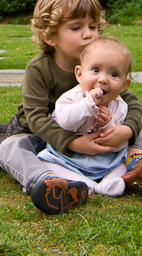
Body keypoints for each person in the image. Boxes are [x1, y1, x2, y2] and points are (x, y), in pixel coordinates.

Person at [0, 0, 142, 215]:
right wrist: (71, 142)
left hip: (96, 129)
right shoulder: (39, 69)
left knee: (132, 124)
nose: (88, 34)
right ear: (50, 36)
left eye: (92, 26)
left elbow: (132, 102)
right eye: (76, 27)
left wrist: (126, 132)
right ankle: (48, 181)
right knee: (9, 147)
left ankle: (136, 166)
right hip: (46, 133)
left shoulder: (101, 64)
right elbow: (37, 117)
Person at [37, 37, 134, 198]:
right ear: (79, 74)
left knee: (124, 160)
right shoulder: (70, 98)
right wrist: (87, 104)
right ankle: (79, 183)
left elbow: (117, 144)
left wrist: (108, 124)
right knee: (46, 161)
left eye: (114, 74)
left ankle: (110, 182)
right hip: (69, 157)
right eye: (95, 70)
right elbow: (66, 122)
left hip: (105, 159)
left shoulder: (120, 106)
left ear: (124, 85)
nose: (103, 79)